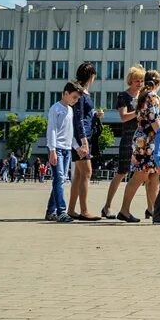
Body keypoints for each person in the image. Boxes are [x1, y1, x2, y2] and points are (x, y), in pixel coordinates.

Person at [117, 70, 160, 223]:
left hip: (146, 141)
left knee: (152, 176)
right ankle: (124, 210)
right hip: (147, 142)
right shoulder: (151, 97)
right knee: (141, 176)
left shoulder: (147, 96)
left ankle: (153, 210)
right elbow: (154, 121)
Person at [102, 66, 144, 219]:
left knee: (144, 173)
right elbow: (124, 117)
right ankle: (107, 206)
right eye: (136, 81)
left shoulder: (143, 96)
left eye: (141, 81)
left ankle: (147, 208)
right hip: (128, 137)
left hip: (141, 139)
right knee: (121, 172)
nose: (139, 84)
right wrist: (139, 111)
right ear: (130, 81)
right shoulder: (123, 96)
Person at [67, 62, 100, 221]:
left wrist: (95, 116)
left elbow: (84, 116)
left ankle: (72, 209)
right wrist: (83, 141)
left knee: (80, 175)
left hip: (84, 136)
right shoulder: (80, 92)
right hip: (82, 137)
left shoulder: (83, 92)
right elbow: (78, 119)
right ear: (91, 76)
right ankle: (84, 210)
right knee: (86, 172)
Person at [45, 83, 82, 222]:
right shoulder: (55, 109)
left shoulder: (70, 110)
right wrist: (52, 150)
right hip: (57, 148)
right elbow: (52, 130)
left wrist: (76, 147)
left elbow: (69, 132)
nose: (75, 101)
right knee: (59, 179)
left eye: (77, 98)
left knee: (60, 180)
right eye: (74, 97)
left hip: (67, 149)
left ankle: (50, 211)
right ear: (65, 93)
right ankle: (61, 211)